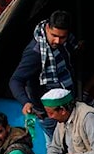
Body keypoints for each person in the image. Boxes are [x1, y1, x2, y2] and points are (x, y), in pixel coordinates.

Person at [9, 9, 77, 141]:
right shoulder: (36, 53)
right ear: (47, 28)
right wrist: (25, 102)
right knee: (57, 148)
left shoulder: (66, 43)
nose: (57, 41)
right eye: (54, 35)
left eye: (62, 37)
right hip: (49, 114)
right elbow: (15, 80)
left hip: (67, 107)